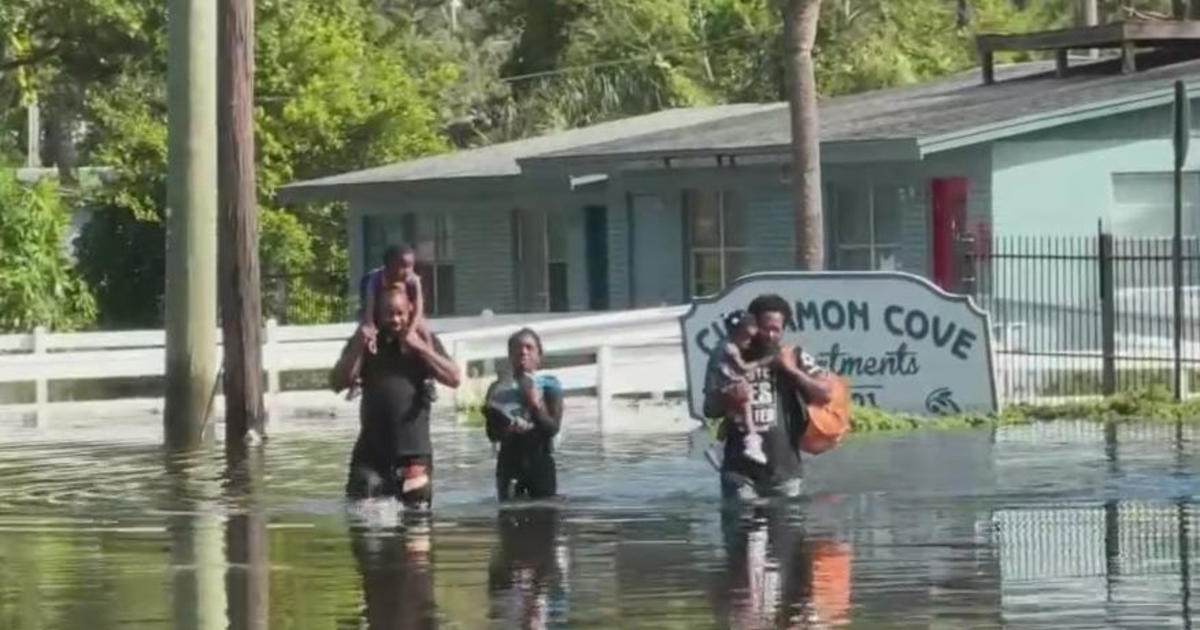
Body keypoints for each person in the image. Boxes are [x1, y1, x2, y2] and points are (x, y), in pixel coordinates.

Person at [702, 293, 832, 502]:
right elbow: (709, 409)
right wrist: (729, 399)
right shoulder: (727, 358)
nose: (771, 335)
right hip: (739, 471)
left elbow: (826, 393)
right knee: (743, 527)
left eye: (776, 330)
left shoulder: (794, 356)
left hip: (784, 470)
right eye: (765, 328)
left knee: (786, 532)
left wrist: (792, 371)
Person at [344, 286, 461, 510]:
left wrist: (420, 347)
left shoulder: (424, 341)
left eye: (400, 313)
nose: (395, 319)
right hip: (371, 456)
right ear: (378, 314)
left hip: (413, 456)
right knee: (366, 527)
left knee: (416, 526)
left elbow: (454, 378)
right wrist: (359, 344)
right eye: (389, 313)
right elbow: (338, 381)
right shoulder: (368, 345)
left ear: (410, 311)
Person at [483, 328, 564, 501]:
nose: (523, 352)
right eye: (517, 348)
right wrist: (508, 428)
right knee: (508, 517)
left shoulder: (550, 387)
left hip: (540, 462)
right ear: (510, 356)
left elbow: (552, 429)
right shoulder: (497, 389)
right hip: (509, 463)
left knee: (546, 517)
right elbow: (491, 434)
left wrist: (535, 406)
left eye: (529, 347)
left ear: (539, 356)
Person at [705, 309, 776, 466]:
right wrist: (763, 361)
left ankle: (717, 445)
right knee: (745, 397)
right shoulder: (730, 348)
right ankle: (752, 441)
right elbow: (742, 368)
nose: (749, 341)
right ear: (736, 331)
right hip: (720, 391)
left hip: (717, 389)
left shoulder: (724, 344)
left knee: (732, 413)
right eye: (746, 337)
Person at [359, 244, 428, 355]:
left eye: (411, 266)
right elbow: (369, 308)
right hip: (378, 312)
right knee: (363, 333)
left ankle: (430, 360)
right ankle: (360, 363)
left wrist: (411, 331)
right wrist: (370, 327)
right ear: (389, 266)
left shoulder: (413, 280)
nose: (408, 271)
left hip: (402, 315)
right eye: (403, 266)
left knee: (423, 327)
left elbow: (418, 308)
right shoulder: (374, 279)